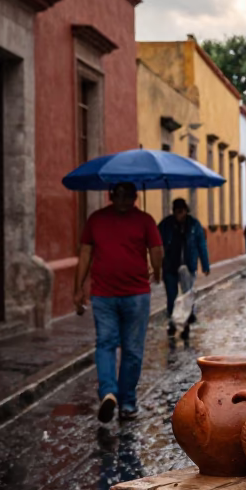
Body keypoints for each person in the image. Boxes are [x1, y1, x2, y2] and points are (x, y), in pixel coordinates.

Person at [73, 181, 163, 423]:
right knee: (131, 350)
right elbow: (156, 250)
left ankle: (109, 392)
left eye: (125, 195)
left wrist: (78, 288)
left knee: (106, 345)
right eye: (120, 195)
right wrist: (158, 271)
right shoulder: (145, 220)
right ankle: (125, 402)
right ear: (113, 196)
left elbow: (85, 254)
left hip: (107, 295)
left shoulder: (97, 219)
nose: (123, 199)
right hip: (129, 295)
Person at [158, 198, 210, 342]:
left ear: (186, 211)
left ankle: (186, 325)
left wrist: (205, 264)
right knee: (171, 297)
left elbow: (201, 245)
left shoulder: (194, 225)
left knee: (187, 297)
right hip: (170, 266)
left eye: (181, 211)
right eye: (176, 211)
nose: (179, 214)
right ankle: (172, 323)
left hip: (188, 266)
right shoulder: (166, 225)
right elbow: (156, 242)